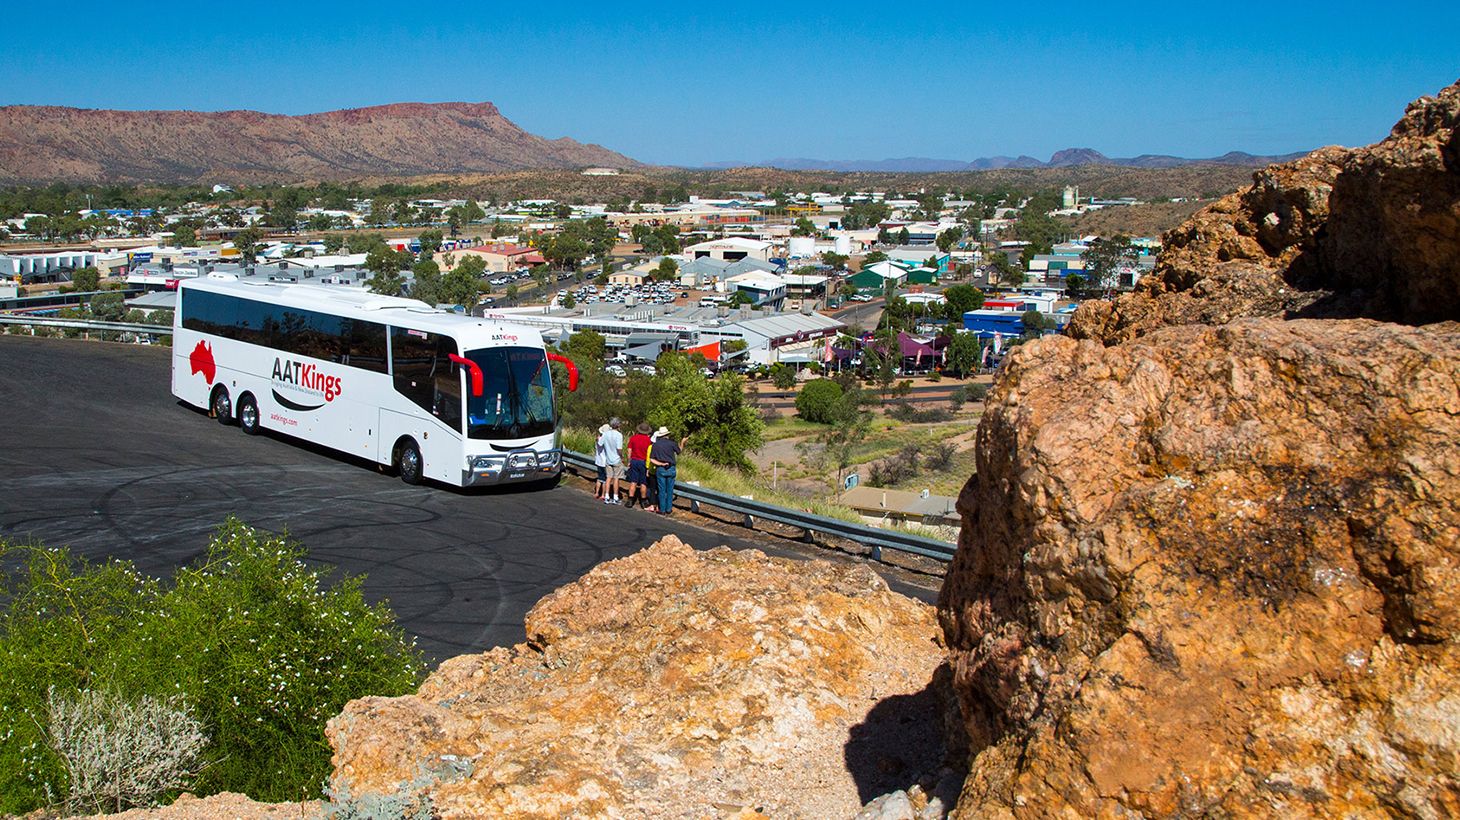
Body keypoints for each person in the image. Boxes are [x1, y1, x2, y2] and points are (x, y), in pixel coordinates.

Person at [648, 426, 687, 516]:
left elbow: (652, 459)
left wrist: (661, 464)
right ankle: (669, 508)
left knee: (661, 490)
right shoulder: (672, 443)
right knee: (670, 490)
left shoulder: (655, 445)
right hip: (671, 468)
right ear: (667, 435)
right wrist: (682, 443)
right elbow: (679, 452)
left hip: (661, 468)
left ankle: (662, 509)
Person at [625, 422, 653, 509]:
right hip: (643, 462)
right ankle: (643, 501)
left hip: (634, 460)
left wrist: (629, 461)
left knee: (633, 481)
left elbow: (629, 450)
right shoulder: (649, 441)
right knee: (643, 483)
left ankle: (630, 500)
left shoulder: (633, 438)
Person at [600, 417, 625, 504]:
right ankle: (615, 497)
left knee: (608, 478)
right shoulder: (619, 435)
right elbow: (619, 449)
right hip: (616, 459)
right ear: (618, 425)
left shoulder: (605, 434)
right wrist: (622, 457)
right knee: (616, 478)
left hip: (608, 458)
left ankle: (607, 496)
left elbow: (600, 443)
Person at [592, 422, 610, 500]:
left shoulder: (598, 439)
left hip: (598, 461)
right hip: (605, 462)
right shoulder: (606, 440)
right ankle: (603, 494)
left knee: (600, 478)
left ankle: (596, 493)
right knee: (605, 480)